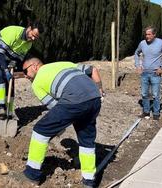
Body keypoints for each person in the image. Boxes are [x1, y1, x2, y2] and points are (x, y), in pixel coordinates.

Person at [21, 56, 103, 188]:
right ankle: (89, 181)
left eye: (25, 71)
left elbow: (55, 107)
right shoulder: (62, 63)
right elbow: (92, 69)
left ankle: (32, 174)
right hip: (95, 98)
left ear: (35, 66)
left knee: (40, 130)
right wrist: (99, 88)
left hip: (74, 100)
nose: (25, 76)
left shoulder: (36, 83)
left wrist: (59, 127)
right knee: (86, 140)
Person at [0, 21, 44, 119]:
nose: (33, 38)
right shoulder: (13, 32)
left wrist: (14, 66)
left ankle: (9, 111)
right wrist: (6, 70)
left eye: (36, 37)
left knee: (10, 82)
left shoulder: (29, 44)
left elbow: (18, 59)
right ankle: (0, 107)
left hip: (4, 60)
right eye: (33, 35)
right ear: (29, 28)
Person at [134, 26, 162, 120]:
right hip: (145, 73)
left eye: (149, 34)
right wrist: (138, 66)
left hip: (156, 74)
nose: (147, 36)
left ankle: (156, 113)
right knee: (144, 94)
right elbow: (136, 53)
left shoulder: (161, 43)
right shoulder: (142, 44)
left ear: (154, 34)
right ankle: (146, 112)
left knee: (155, 95)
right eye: (146, 34)